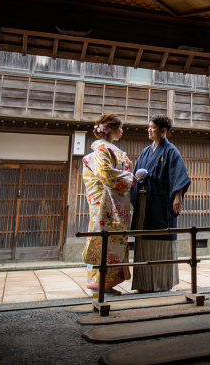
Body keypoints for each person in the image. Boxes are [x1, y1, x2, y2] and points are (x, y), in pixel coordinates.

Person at [131, 114, 191, 292]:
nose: (149, 130)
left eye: (152, 127)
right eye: (148, 127)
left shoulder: (170, 150)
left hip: (160, 204)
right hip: (144, 204)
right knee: (143, 239)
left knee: (161, 239)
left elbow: (179, 175)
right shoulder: (145, 151)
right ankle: (144, 283)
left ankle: (162, 283)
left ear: (163, 131)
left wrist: (177, 196)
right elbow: (136, 175)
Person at [81, 113, 136, 296]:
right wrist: (129, 178)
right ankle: (98, 283)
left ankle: (107, 283)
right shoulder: (101, 149)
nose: (122, 131)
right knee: (102, 239)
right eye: (120, 128)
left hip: (115, 201)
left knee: (114, 241)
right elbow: (105, 173)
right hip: (104, 203)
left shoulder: (110, 149)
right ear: (111, 129)